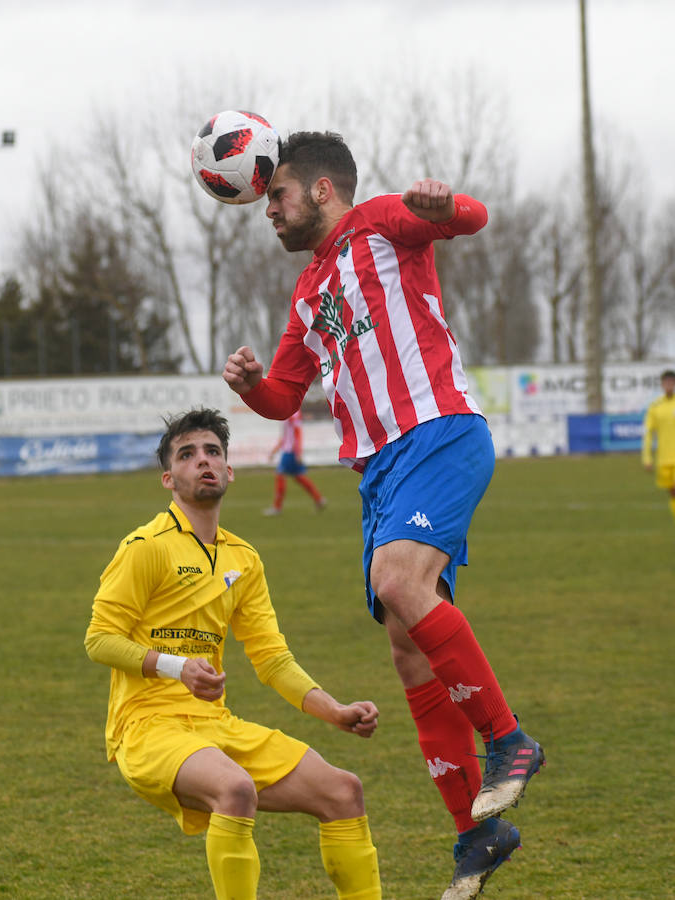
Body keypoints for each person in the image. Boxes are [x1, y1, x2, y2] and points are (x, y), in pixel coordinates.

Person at [223, 132, 544, 900]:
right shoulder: (306, 295)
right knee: (407, 650)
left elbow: (471, 218)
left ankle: (510, 741)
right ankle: (477, 835)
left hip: (438, 430)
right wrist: (247, 388)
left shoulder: (380, 222)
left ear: (322, 191)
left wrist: (444, 203)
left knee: (397, 580)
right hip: (378, 472)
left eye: (278, 196)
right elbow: (282, 394)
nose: (268, 210)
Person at [84, 407, 382, 900]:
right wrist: (178, 668)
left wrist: (335, 711)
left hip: (214, 726)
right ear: (168, 478)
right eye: (187, 454)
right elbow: (98, 639)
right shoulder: (144, 546)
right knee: (235, 788)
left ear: (229, 470)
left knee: (343, 791)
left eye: (212, 452)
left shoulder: (244, 559)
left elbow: (272, 659)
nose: (203, 461)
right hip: (147, 727)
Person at [263, 409, 327, 515]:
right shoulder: (288, 411)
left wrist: (298, 452)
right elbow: (285, 436)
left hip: (290, 451)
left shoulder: (293, 412)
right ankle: (319, 499)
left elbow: (297, 433)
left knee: (280, 475)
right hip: (290, 450)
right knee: (299, 476)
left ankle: (277, 507)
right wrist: (275, 450)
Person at [642, 368, 675, 525]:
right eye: (666, 383)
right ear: (662, 385)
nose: (669, 385)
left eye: (671, 382)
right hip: (664, 459)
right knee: (672, 493)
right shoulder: (655, 407)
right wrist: (647, 458)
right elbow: (648, 434)